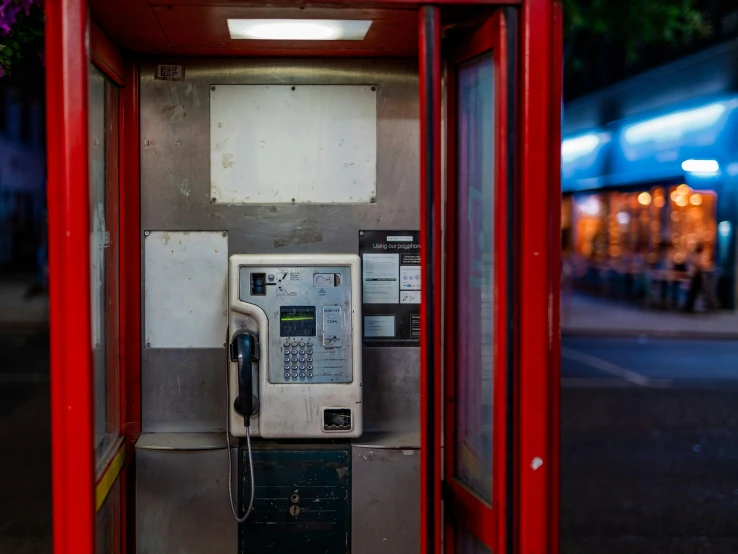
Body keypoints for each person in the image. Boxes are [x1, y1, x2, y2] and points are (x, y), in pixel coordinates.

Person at [684, 244, 714, 313]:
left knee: (694, 292)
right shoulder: (695, 255)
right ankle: (690, 307)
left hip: (696, 276)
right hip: (696, 276)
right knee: (694, 292)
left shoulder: (696, 255)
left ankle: (691, 306)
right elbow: (697, 265)